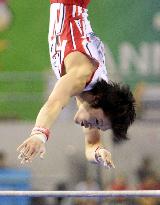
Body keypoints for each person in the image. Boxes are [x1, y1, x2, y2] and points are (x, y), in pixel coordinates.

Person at [17, 0, 136, 169]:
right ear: (98, 100)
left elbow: (92, 143)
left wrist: (98, 153)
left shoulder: (90, 95)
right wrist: (39, 135)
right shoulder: (81, 76)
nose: (91, 127)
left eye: (97, 126)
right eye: (96, 121)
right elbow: (54, 103)